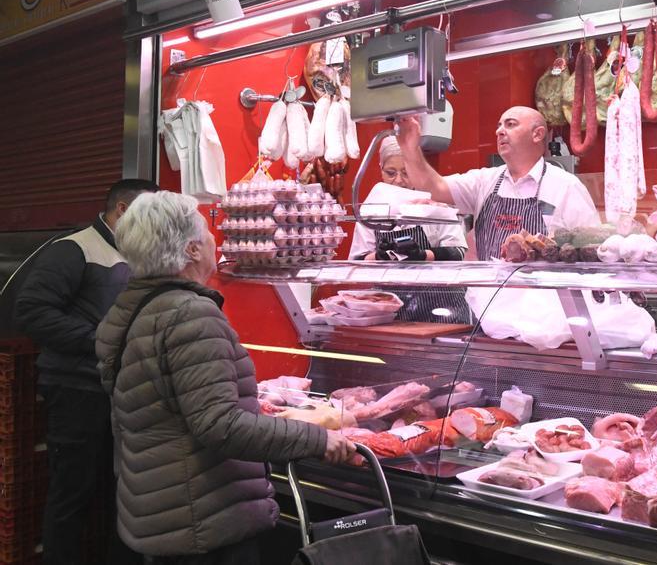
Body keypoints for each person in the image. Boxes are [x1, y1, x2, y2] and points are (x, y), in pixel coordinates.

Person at [94, 191, 357, 564]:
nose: (213, 239)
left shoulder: (129, 308)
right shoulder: (189, 314)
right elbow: (221, 426)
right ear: (191, 250)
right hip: (202, 521)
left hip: (156, 506)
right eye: (205, 231)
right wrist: (317, 438)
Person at [14, 178, 159, 565]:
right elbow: (31, 311)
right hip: (78, 390)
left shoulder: (138, 255)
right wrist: (101, 339)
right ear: (123, 211)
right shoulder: (74, 249)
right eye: (149, 212)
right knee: (72, 494)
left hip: (123, 394)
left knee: (121, 495)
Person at [395, 105, 600, 260]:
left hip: (543, 310)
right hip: (487, 306)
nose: (499, 131)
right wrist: (409, 147)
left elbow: (591, 250)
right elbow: (432, 188)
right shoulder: (485, 181)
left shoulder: (566, 186)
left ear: (537, 134)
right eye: (499, 126)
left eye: (510, 124)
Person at [348, 135, 467, 262]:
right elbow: (357, 260)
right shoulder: (371, 210)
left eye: (406, 173)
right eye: (391, 173)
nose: (399, 181)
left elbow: (457, 253)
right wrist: (379, 256)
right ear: (381, 169)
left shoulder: (435, 203)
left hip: (427, 280)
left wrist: (422, 255)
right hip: (386, 281)